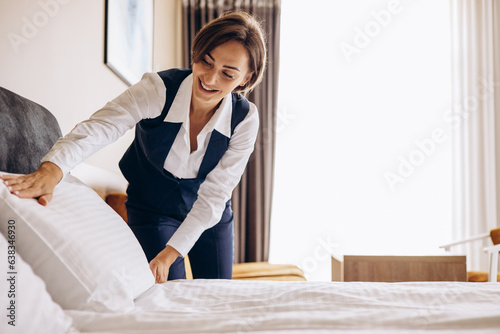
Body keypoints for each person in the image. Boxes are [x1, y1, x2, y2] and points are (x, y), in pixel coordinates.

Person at [0, 10, 267, 283]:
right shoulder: (158, 89)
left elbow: (215, 194)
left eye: (227, 73)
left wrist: (171, 253)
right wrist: (52, 169)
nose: (210, 79)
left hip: (210, 216)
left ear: (246, 78)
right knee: (169, 294)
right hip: (153, 209)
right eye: (206, 62)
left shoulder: (245, 119)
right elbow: (102, 127)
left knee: (217, 294)